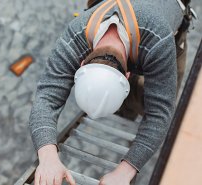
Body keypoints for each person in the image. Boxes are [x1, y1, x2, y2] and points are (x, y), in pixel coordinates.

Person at [29, 0, 193, 184]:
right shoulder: (74, 36)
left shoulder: (159, 42)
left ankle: (134, 128)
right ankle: (127, 114)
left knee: (162, 99)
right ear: (82, 62)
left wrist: (126, 170)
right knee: (130, 109)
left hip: (164, 19)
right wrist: (48, 157)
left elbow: (160, 114)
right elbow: (46, 98)